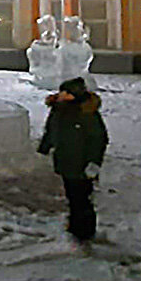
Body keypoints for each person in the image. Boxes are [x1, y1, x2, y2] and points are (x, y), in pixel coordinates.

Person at [37, 77, 108, 245]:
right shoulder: (58, 109)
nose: (61, 95)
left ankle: (85, 231)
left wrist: (94, 163)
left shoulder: (87, 113)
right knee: (71, 195)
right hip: (65, 160)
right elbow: (51, 130)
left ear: (74, 95)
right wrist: (44, 147)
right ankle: (75, 225)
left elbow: (98, 140)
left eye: (66, 92)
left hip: (81, 163)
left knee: (82, 197)